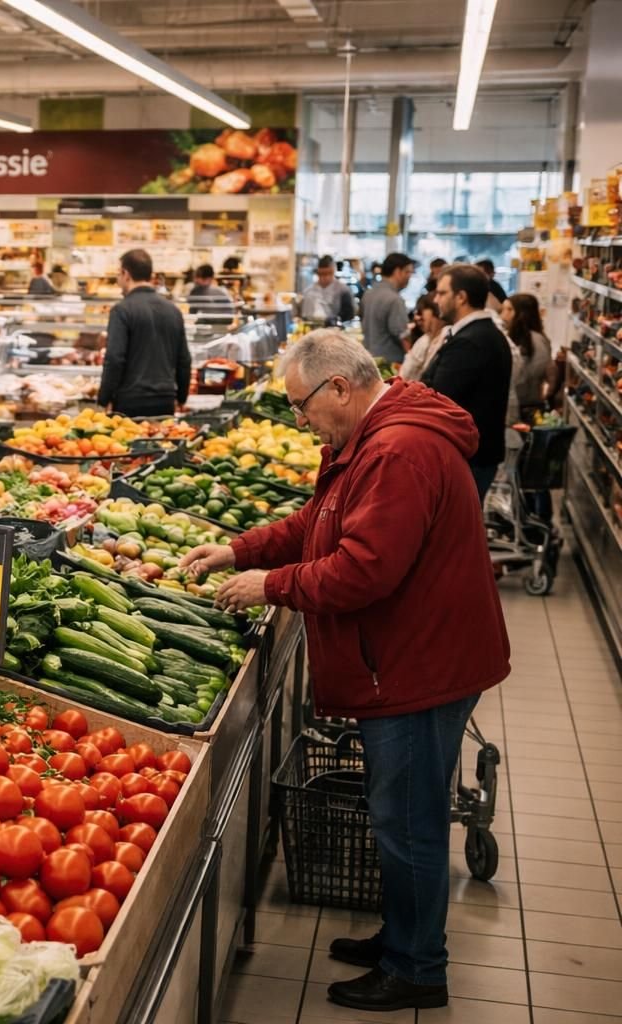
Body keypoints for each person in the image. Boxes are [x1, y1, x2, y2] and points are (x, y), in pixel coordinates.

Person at [181, 332, 507, 1013]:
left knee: (407, 820)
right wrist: (239, 548)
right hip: (412, 651)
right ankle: (402, 935)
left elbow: (364, 569)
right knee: (399, 814)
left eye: (302, 406)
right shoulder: (374, 438)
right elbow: (320, 520)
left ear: (339, 388)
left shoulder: (397, 450)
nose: (301, 422)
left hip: (419, 664)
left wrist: (270, 584)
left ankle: (416, 965)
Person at [420, 264, 513, 500]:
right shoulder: (482, 334)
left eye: (442, 293)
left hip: (469, 459)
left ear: (461, 297)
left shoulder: (471, 341)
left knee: (454, 534)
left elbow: (437, 400)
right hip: (474, 456)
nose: (436, 299)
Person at [97, 249, 190, 417]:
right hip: (165, 400)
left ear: (126, 273)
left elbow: (114, 358)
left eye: (119, 274)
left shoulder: (122, 310)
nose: (118, 280)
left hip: (130, 401)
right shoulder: (173, 310)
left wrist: (104, 399)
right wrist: (182, 397)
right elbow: (184, 360)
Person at [501, 292, 551, 418]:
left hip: (527, 404)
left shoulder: (536, 340)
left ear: (522, 313)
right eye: (503, 309)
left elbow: (534, 371)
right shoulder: (511, 336)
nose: (503, 315)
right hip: (513, 402)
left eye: (509, 309)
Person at [361, 253, 415, 362]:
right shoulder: (395, 300)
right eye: (407, 272)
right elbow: (403, 336)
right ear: (397, 272)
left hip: (369, 359)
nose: (410, 277)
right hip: (389, 366)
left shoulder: (368, 294)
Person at [399, 295, 449, 383]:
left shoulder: (447, 334)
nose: (417, 318)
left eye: (420, 310)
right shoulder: (425, 340)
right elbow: (404, 374)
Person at [300, 256, 355, 323]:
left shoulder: (343, 290)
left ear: (333, 271)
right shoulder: (308, 291)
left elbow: (349, 315)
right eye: (322, 274)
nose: (325, 277)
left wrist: (333, 320)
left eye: (329, 273)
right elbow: (302, 314)